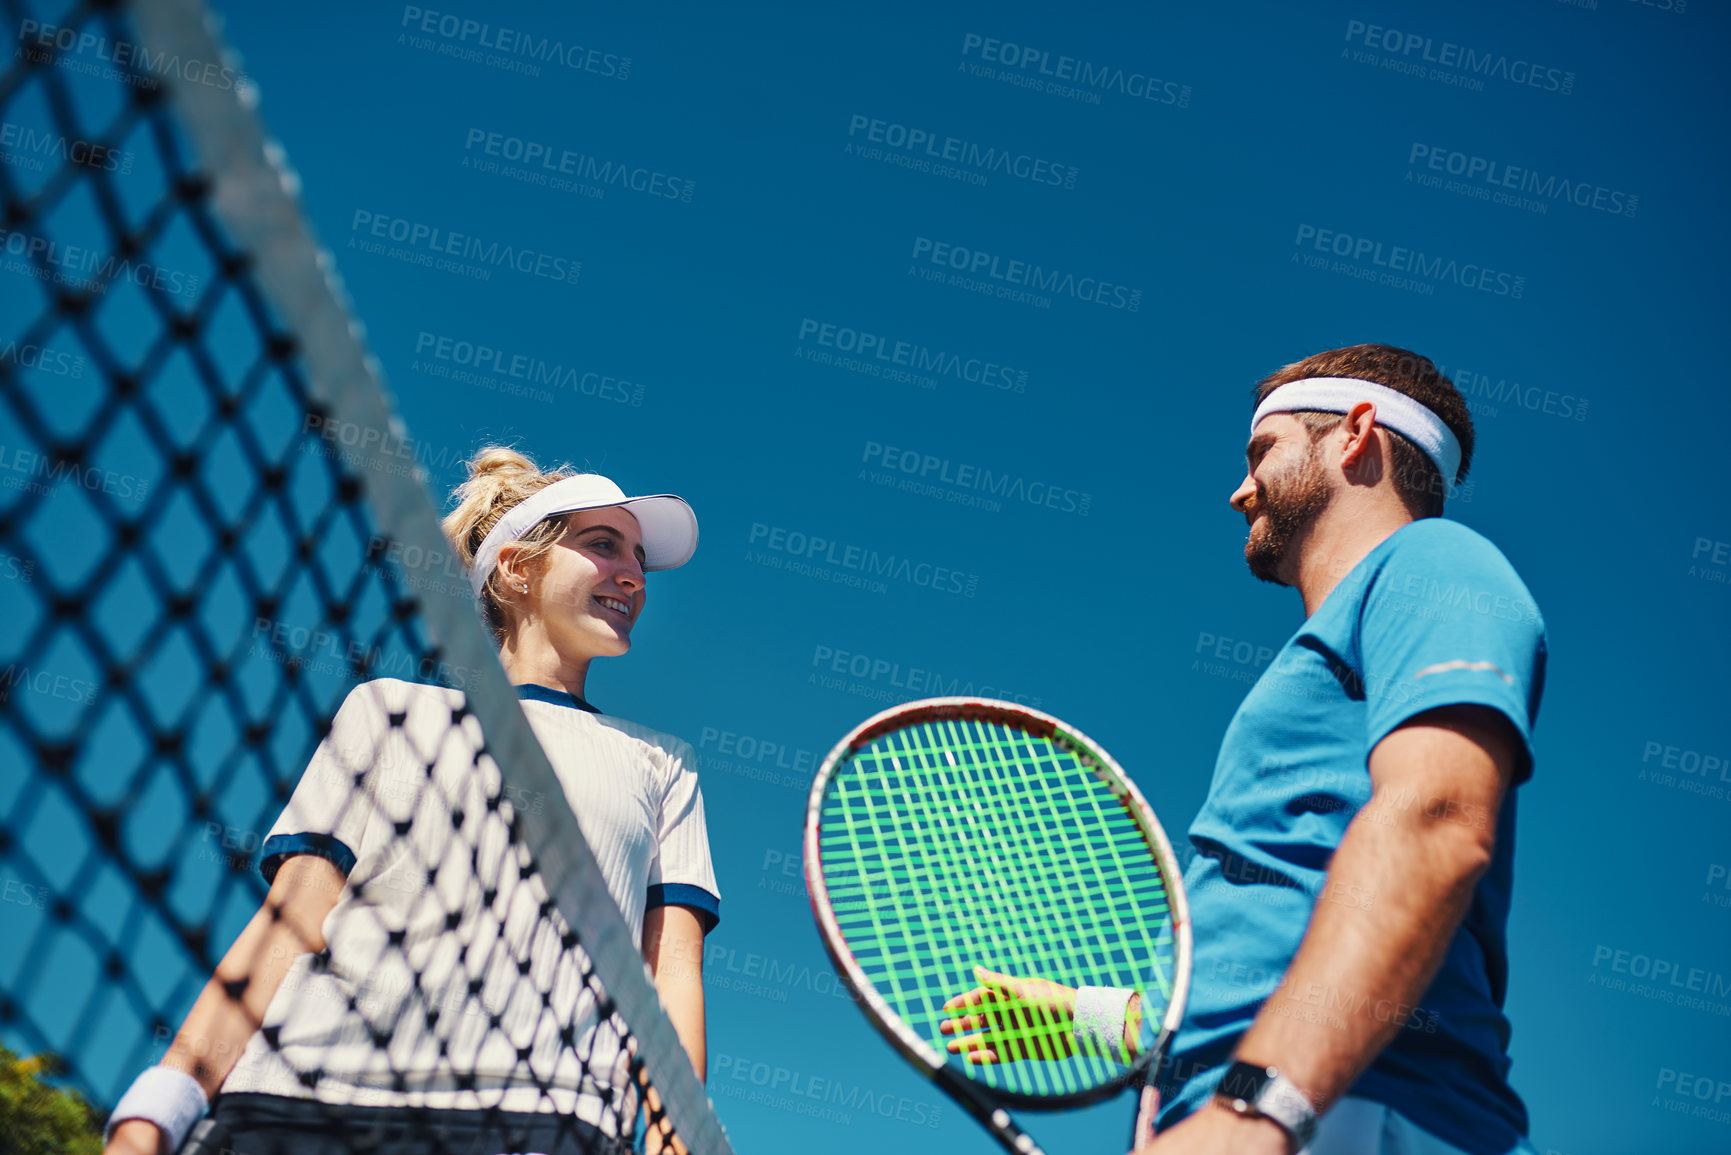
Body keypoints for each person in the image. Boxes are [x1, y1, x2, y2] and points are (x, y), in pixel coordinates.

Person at [941, 345, 1545, 1155]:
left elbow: (1434, 817)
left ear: (1356, 432)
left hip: (1361, 1111)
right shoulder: (1314, 660)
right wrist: (1085, 1013)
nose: (1238, 490)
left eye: (1263, 452)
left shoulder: (1436, 562)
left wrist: (1260, 1104)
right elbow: (1260, 956)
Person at [104, 447, 721, 1155]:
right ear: (519, 569)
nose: (634, 576)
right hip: (295, 1109)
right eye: (603, 545)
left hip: (546, 1122)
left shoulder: (663, 763)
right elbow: (288, 920)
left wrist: (674, 1145)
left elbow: (671, 971)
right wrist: (158, 1108)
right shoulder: (387, 709)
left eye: (639, 557)